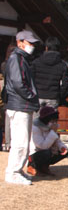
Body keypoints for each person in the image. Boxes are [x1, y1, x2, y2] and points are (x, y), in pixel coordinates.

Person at [4, 30, 41, 185]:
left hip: (21, 104)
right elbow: (19, 83)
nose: (31, 46)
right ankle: (13, 173)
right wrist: (32, 96)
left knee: (22, 141)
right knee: (20, 142)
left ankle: (18, 170)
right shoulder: (17, 58)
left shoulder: (21, 58)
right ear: (20, 42)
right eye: (29, 42)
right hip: (20, 104)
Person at [27, 106, 68, 176]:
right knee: (47, 152)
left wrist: (62, 147)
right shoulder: (36, 128)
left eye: (55, 121)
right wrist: (52, 132)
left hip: (46, 150)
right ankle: (31, 166)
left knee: (62, 152)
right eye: (52, 121)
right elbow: (42, 146)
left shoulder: (52, 127)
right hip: (34, 153)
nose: (54, 123)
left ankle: (44, 167)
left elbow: (57, 141)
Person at [31, 36, 68, 109]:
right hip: (53, 97)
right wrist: (59, 95)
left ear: (46, 47)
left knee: (36, 120)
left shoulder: (36, 62)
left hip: (38, 96)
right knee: (51, 119)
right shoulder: (63, 65)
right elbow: (65, 84)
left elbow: (30, 79)